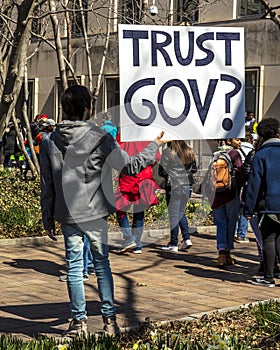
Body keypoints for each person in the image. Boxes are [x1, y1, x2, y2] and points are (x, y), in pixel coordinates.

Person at [40, 84, 165, 337]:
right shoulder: (102, 138)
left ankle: (78, 324)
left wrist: (47, 216)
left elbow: (47, 184)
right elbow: (129, 167)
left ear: (64, 108)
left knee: (75, 268)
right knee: (101, 264)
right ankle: (109, 321)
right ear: (88, 108)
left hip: (67, 213)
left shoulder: (50, 140)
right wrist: (154, 145)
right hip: (95, 211)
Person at [244, 118, 280, 287]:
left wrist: (248, 209)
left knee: (269, 239)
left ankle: (268, 277)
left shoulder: (261, 154)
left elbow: (254, 185)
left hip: (268, 205)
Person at [114, 139, 161, 254]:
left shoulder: (125, 135)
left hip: (128, 176)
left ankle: (130, 239)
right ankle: (137, 243)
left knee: (120, 208)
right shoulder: (149, 136)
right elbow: (157, 157)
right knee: (139, 211)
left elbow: (116, 153)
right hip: (145, 175)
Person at [159, 141, 197, 253]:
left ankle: (173, 243)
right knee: (181, 212)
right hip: (187, 185)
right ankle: (186, 238)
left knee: (174, 215)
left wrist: (170, 174)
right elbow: (194, 169)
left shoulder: (168, 152)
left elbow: (162, 171)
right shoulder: (189, 150)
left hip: (174, 185)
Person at [211, 138, 243, 268]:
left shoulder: (215, 154)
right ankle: (227, 253)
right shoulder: (234, 154)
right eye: (237, 139)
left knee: (221, 224)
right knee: (231, 224)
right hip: (231, 194)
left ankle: (222, 254)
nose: (239, 141)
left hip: (216, 196)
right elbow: (241, 173)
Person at [234, 132, 254, 243]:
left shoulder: (235, 150)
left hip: (236, 181)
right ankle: (242, 234)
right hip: (247, 183)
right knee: (244, 208)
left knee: (236, 207)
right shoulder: (254, 151)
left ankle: (234, 230)